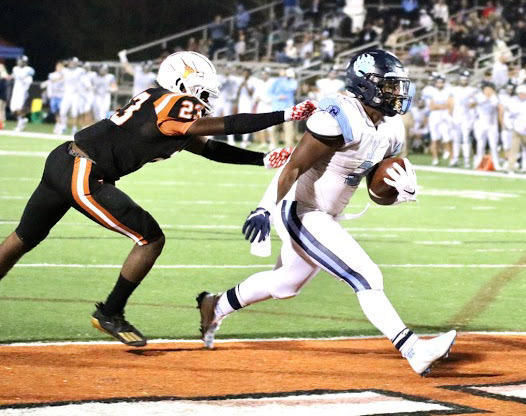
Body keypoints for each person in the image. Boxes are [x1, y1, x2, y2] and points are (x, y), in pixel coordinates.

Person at [0, 52, 316, 347]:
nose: (205, 99)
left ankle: (110, 311)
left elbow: (209, 148)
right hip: (84, 172)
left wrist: (261, 160)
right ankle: (110, 312)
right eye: (201, 90)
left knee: (24, 236)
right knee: (150, 238)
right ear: (182, 82)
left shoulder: (161, 107)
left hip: (65, 160)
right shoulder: (174, 103)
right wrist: (285, 115)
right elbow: (226, 126)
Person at [196, 48, 457, 376]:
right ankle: (414, 349)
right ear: (366, 85)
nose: (396, 93)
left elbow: (373, 189)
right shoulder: (338, 116)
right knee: (366, 275)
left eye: (397, 86)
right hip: (301, 210)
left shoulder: (392, 128)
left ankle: (214, 305)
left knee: (285, 285)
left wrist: (396, 190)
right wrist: (264, 208)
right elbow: (293, 167)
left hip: (326, 214)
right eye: (388, 86)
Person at [449, 70, 476, 168]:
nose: (464, 81)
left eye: (465, 79)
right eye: (462, 79)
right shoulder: (455, 89)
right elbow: (451, 103)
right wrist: (451, 115)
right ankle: (455, 159)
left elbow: (473, 104)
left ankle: (467, 161)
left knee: (465, 140)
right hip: (456, 117)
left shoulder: (472, 90)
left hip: (466, 118)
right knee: (456, 139)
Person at [10, 55, 35, 131]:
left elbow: (29, 80)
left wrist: (25, 78)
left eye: (21, 61)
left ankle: (20, 124)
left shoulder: (28, 70)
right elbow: (13, 76)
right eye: (19, 60)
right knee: (13, 109)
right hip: (15, 91)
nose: (19, 62)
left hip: (23, 92)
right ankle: (23, 120)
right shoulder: (15, 69)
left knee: (20, 108)